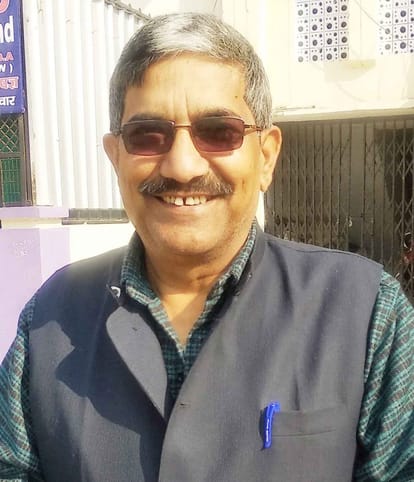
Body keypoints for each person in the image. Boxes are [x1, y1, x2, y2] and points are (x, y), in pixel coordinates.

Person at [0, 12, 413, 482]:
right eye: (147, 135)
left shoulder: (367, 311)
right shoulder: (53, 315)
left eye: (219, 131)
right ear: (116, 157)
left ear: (266, 156)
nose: (182, 166)